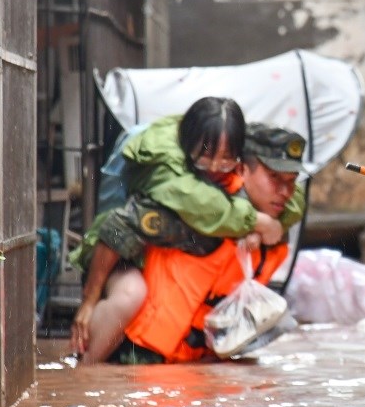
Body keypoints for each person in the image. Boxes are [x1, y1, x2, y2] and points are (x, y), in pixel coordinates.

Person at [68, 98, 305, 363]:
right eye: (205, 158)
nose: (215, 168)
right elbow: (115, 230)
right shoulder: (186, 197)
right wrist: (89, 301)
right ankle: (84, 368)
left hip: (183, 335)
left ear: (237, 160)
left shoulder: (252, 204)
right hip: (115, 259)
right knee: (129, 294)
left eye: (225, 160)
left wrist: (261, 227)